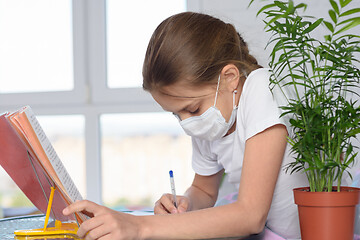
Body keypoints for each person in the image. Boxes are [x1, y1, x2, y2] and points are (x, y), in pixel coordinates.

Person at [63, 12, 308, 239]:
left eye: (192, 109)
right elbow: (204, 190)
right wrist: (185, 203)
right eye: (176, 115)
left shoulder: (261, 88)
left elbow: (250, 215)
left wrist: (139, 225)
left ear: (230, 77)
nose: (187, 123)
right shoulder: (212, 118)